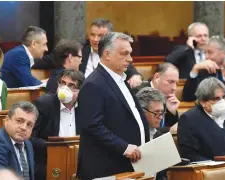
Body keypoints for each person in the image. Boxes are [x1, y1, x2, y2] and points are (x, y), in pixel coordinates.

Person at [77, 32, 149, 180]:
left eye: (130, 53)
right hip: (106, 168)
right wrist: (124, 147)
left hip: (128, 165)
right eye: (124, 54)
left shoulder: (121, 79)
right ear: (107, 54)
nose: (130, 59)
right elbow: (92, 126)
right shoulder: (93, 84)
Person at [31, 69, 84, 180]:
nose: (65, 88)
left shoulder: (86, 107)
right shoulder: (43, 104)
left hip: (78, 160)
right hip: (48, 160)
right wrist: (54, 148)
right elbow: (31, 137)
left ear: (79, 90)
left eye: (71, 85)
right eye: (62, 83)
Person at [0, 101, 38, 180]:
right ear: (7, 120)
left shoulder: (27, 144)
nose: (24, 127)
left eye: (29, 125)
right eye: (19, 121)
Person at [80, 18, 142, 87]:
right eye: (92, 35)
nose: (95, 39)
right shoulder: (81, 50)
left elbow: (131, 70)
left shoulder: (115, 52)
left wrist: (135, 76)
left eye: (100, 36)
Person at [133, 63, 180, 133]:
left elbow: (174, 130)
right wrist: (168, 130)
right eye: (171, 82)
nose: (174, 88)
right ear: (156, 77)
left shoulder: (165, 96)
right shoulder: (140, 93)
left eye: (176, 83)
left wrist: (172, 112)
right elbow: (143, 128)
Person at [136, 87, 167, 180]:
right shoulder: (130, 136)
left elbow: (162, 175)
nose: (160, 117)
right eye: (157, 113)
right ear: (142, 112)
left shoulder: (160, 136)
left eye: (162, 113)